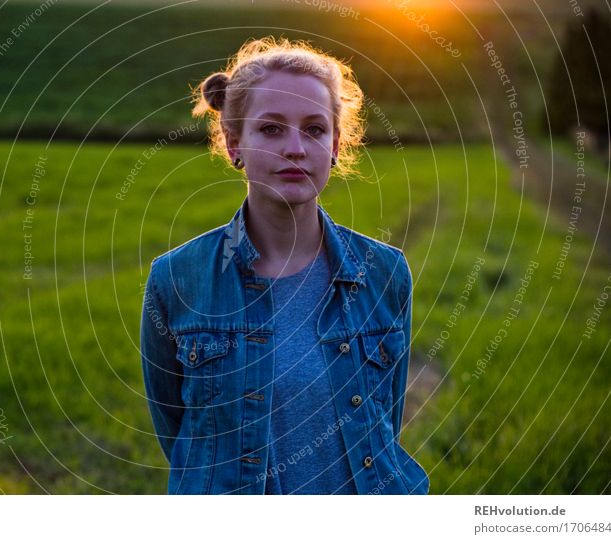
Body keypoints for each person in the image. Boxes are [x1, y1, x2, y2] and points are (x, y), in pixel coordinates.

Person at [140, 36, 429, 495]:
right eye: (271, 128)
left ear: (336, 145)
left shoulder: (384, 273)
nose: (295, 148)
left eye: (314, 129)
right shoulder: (177, 279)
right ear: (234, 143)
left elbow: (385, 423)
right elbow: (179, 435)